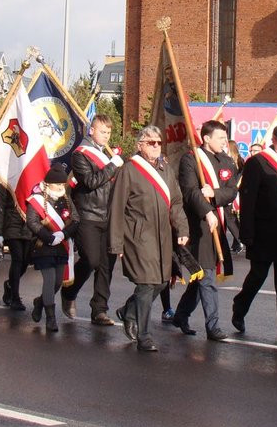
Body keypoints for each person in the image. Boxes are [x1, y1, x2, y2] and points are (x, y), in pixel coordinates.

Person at [109, 126, 189, 352]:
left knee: (162, 281)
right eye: (151, 142)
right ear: (140, 145)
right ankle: (144, 335)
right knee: (146, 283)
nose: (156, 146)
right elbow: (116, 208)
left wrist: (182, 228)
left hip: (163, 235)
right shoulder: (129, 170)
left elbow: (176, 202)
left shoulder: (166, 169)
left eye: (158, 142)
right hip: (138, 236)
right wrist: (116, 243)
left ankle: (129, 311)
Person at [171, 120, 237, 341]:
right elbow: (190, 191)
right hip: (198, 224)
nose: (224, 142)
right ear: (206, 138)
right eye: (220, 138)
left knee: (201, 276)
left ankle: (181, 315)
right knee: (207, 276)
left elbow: (232, 191)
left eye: (225, 137)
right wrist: (207, 211)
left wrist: (215, 194)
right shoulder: (191, 159)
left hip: (219, 224)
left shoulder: (227, 161)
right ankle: (213, 326)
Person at [232, 124, 277, 335]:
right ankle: (239, 308)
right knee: (257, 276)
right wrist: (246, 233)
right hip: (263, 232)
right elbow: (248, 199)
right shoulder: (257, 162)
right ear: (274, 140)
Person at [60, 115, 124, 325]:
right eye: (102, 132)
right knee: (91, 259)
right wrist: (113, 165)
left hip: (108, 215)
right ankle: (69, 292)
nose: (106, 136)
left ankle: (99, 310)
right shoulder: (80, 155)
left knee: (106, 264)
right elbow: (90, 181)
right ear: (91, 130)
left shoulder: (105, 154)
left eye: (108, 132)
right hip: (88, 213)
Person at [27, 164, 80, 331]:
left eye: (62, 184)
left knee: (57, 282)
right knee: (49, 280)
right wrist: (49, 237)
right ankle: (51, 318)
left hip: (61, 246)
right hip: (43, 246)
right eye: (57, 184)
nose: (60, 187)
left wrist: (63, 235)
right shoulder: (37, 199)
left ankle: (39, 302)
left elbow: (76, 219)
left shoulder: (66, 199)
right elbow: (32, 222)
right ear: (48, 184)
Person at [0, 182, 32, 310]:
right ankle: (15, 298)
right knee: (18, 259)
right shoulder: (6, 180)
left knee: (25, 261)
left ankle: (10, 284)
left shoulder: (31, 176)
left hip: (29, 224)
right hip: (11, 224)